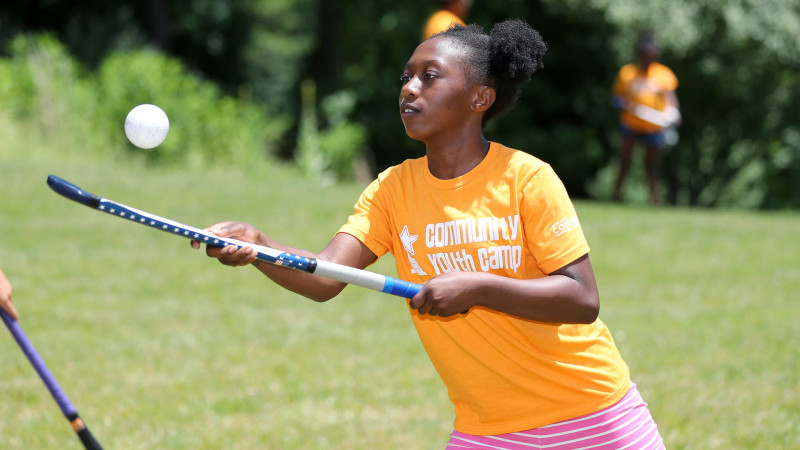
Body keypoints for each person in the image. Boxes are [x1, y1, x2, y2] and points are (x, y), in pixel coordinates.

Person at [193, 20, 665, 449]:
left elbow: (582, 298)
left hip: (594, 415)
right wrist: (259, 245)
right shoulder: (392, 189)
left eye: (429, 76)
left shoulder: (526, 178)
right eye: (406, 76)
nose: (409, 89)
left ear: (481, 97)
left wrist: (477, 286)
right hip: (488, 430)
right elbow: (326, 277)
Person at [611, 30, 680, 205]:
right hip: (630, 124)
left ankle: (654, 200)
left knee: (651, 165)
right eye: (644, 53)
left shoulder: (663, 74)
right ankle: (616, 197)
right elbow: (617, 98)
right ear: (639, 53)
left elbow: (670, 98)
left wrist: (672, 113)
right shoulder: (627, 73)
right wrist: (627, 105)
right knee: (624, 161)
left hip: (653, 128)